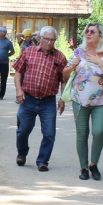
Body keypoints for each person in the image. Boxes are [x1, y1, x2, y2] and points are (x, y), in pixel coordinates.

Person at [64, 22, 103, 181]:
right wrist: (72, 66)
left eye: (92, 32)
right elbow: (65, 73)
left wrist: (99, 61)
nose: (88, 34)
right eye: (87, 31)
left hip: (100, 102)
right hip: (79, 101)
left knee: (98, 132)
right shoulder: (78, 52)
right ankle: (83, 167)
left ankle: (93, 164)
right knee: (82, 134)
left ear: (100, 36)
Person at [12, 25, 68, 171]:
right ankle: (22, 153)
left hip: (48, 102)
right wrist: (19, 90)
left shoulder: (60, 57)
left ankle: (43, 161)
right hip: (28, 99)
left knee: (49, 133)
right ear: (40, 38)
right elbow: (18, 71)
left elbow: (64, 80)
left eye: (53, 40)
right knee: (22, 130)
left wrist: (62, 98)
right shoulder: (28, 52)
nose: (50, 42)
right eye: (47, 39)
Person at [0, 26, 17, 100]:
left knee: (3, 79)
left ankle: (1, 95)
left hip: (4, 64)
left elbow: (13, 51)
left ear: (3, 33)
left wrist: (7, 55)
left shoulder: (8, 42)